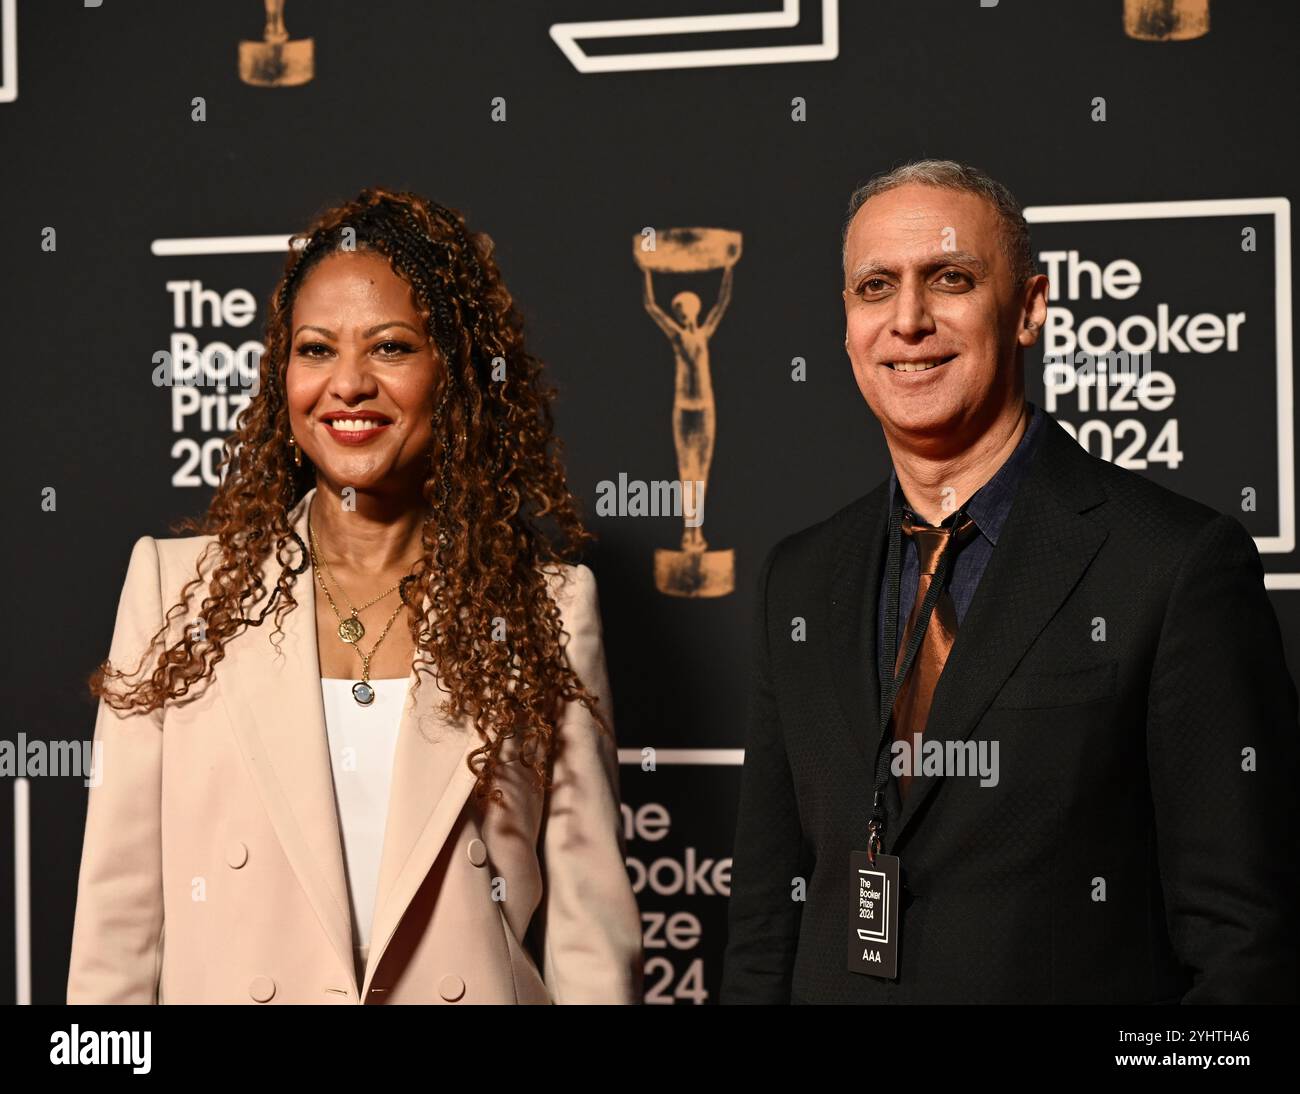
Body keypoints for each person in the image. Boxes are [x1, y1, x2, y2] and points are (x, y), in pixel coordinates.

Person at [721, 160, 1298, 1004]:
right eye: (875, 286)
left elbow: (1247, 950)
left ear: (1029, 309)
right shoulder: (800, 579)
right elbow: (767, 923)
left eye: (950, 279)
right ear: (847, 323)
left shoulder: (1176, 565)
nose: (908, 320)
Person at [68, 188, 643, 1004]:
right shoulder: (175, 593)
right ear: (282, 374)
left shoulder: (546, 608)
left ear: (459, 372)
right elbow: (116, 933)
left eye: (391, 347)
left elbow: (591, 938)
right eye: (315, 350)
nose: (347, 385)